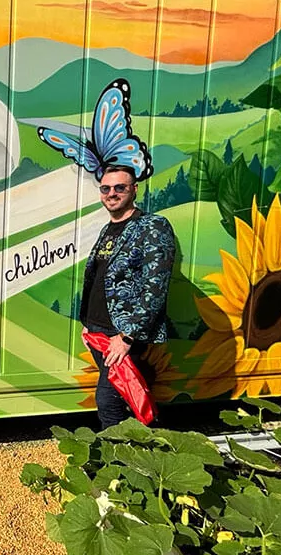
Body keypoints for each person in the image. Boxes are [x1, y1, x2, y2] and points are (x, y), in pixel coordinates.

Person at [79, 164, 175, 429]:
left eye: (120, 187)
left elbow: (155, 287)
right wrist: (88, 323)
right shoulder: (108, 230)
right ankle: (144, 456)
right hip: (100, 333)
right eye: (106, 188)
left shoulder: (152, 227)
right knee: (129, 397)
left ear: (134, 189)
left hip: (123, 336)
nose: (112, 193)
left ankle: (119, 464)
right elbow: (98, 280)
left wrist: (127, 337)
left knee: (109, 402)